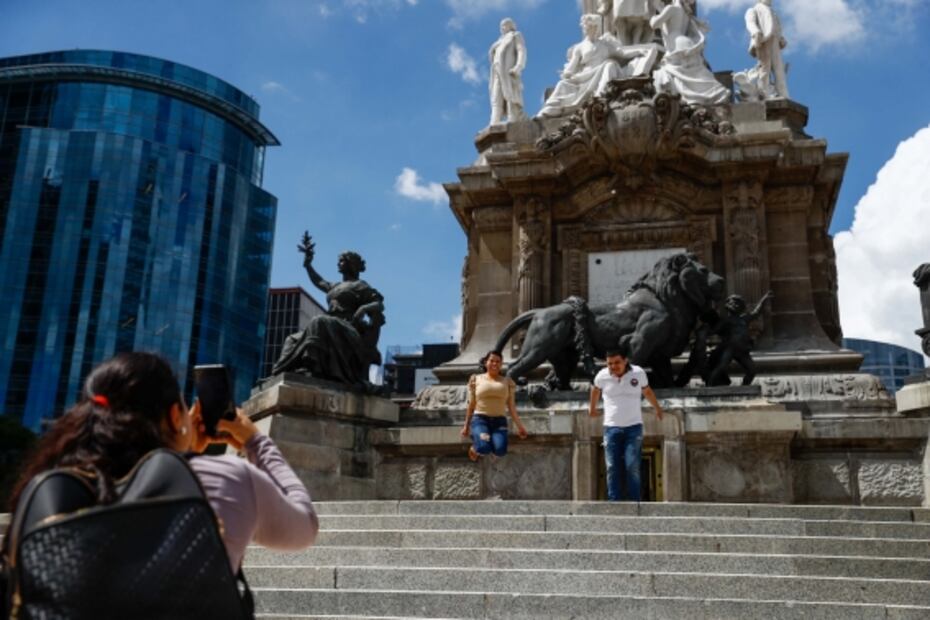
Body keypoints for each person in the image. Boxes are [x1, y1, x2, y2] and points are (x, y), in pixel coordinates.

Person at [3, 352, 318, 572]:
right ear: (174, 417)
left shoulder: (47, 489)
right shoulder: (225, 478)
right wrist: (256, 441)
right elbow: (304, 526)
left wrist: (185, 455)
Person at [272, 232, 385, 389]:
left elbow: (379, 304)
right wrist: (308, 265)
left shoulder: (361, 286)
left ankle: (310, 365)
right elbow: (318, 281)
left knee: (319, 320)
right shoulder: (335, 286)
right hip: (331, 326)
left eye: (342, 261)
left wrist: (363, 308)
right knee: (292, 338)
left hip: (348, 328)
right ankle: (278, 373)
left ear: (351, 264)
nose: (338, 263)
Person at [537, 13, 658, 118]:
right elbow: (572, 66)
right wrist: (567, 72)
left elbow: (622, 52)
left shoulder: (605, 44)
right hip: (585, 76)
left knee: (610, 65)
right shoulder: (579, 47)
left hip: (601, 72)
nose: (586, 28)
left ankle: (601, 96)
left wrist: (639, 51)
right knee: (562, 84)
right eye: (585, 26)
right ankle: (550, 110)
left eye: (589, 26)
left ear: (595, 27)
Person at [589, 346, 664, 501]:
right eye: (609, 363)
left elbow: (647, 391)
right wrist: (592, 408)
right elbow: (595, 390)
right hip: (611, 427)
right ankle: (614, 501)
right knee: (612, 467)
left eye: (617, 362)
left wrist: (657, 408)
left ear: (625, 361)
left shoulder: (638, 373)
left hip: (633, 427)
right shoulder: (602, 376)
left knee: (632, 466)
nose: (613, 367)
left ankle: (635, 501)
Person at [650, 0, 730, 105]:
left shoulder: (671, 9)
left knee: (680, 74)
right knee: (693, 74)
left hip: (677, 44)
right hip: (687, 42)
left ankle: (689, 98)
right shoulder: (685, 13)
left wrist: (654, 15)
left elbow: (654, 24)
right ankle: (713, 92)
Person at [460, 350, 529, 462]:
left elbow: (511, 407)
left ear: (501, 364)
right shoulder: (476, 379)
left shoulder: (507, 382)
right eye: (492, 361)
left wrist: (520, 427)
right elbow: (471, 404)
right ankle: (476, 446)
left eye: (498, 361)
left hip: (499, 422)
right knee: (483, 448)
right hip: (480, 420)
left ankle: (485, 439)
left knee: (500, 451)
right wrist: (466, 426)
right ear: (486, 362)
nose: (495, 364)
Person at [745, 0, 789, 99]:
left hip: (774, 41)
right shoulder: (753, 10)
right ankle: (764, 93)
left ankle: (783, 93)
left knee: (779, 69)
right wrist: (756, 32)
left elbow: (776, 27)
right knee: (765, 67)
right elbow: (750, 23)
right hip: (763, 40)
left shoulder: (773, 12)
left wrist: (781, 38)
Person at [488, 17, 528, 125]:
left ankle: (512, 118)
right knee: (496, 95)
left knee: (510, 93)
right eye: (501, 25)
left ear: (511, 25)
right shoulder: (498, 41)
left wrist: (518, 66)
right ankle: (494, 120)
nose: (503, 27)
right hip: (496, 70)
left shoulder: (516, 35)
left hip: (508, 69)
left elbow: (521, 51)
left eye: (505, 24)